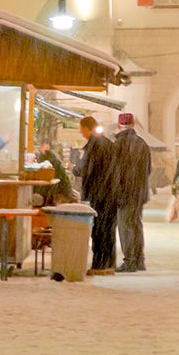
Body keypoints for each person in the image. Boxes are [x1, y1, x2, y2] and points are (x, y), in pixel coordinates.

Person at [75, 116, 117, 275]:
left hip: (100, 193)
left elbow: (88, 168)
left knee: (99, 230)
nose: (81, 133)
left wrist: (76, 169)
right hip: (110, 192)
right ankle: (109, 264)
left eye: (82, 130)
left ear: (88, 128)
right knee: (108, 229)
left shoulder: (95, 145)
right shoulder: (107, 143)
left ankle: (99, 265)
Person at [112, 113, 152, 273]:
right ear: (134, 124)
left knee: (125, 226)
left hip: (124, 193)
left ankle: (129, 261)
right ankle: (139, 260)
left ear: (119, 125)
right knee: (136, 224)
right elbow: (148, 170)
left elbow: (115, 171)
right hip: (139, 193)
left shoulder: (117, 144)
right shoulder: (143, 144)